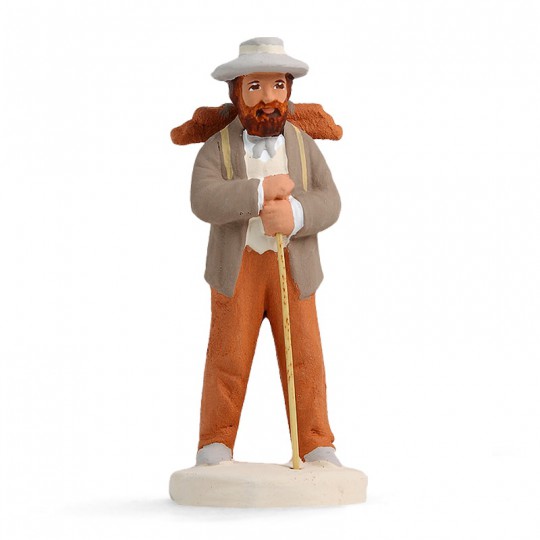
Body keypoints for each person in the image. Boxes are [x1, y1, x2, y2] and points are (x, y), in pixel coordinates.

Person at [191, 37, 342, 466]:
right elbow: (203, 198)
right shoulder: (217, 147)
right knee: (228, 355)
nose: (268, 98)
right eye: (255, 87)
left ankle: (315, 441)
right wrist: (257, 194)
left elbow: (330, 201)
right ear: (236, 93)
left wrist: (296, 213)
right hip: (237, 267)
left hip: (293, 269)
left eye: (277, 85)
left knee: (304, 356)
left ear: (289, 90)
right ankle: (215, 442)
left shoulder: (303, 144)